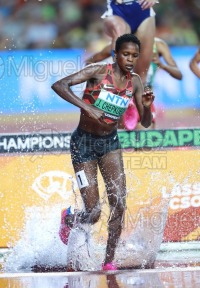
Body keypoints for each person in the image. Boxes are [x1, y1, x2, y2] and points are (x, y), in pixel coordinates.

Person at [51, 34, 154, 271]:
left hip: (110, 145)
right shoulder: (97, 71)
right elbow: (59, 85)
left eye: (134, 56)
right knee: (94, 211)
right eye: (125, 54)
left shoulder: (135, 82)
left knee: (118, 203)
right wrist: (87, 107)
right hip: (83, 145)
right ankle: (69, 219)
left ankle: (108, 260)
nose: (130, 60)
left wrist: (146, 108)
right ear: (116, 54)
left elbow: (146, 122)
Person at [85, 36, 183, 130]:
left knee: (145, 143)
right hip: (121, 99)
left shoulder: (157, 45)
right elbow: (89, 63)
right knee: (118, 141)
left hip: (143, 99)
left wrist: (161, 64)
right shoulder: (119, 44)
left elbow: (178, 75)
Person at [100, 0, 159, 85]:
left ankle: (136, 95)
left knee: (141, 77)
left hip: (144, 11)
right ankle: (114, 80)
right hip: (117, 9)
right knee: (120, 30)